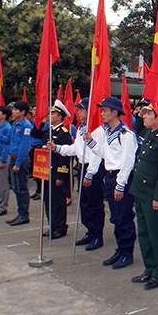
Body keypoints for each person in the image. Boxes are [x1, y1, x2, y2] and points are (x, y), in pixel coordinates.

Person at [84, 96, 137, 268]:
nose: (102, 114)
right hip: (110, 176)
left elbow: (128, 162)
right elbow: (106, 155)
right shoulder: (109, 132)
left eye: (105, 110)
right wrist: (91, 142)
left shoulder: (126, 134)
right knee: (115, 216)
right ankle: (120, 250)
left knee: (124, 217)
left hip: (122, 177)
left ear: (115, 112)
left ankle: (127, 252)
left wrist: (120, 185)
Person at [49, 98, 105, 250]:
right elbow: (76, 149)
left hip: (92, 169)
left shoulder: (97, 129)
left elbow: (97, 154)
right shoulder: (81, 127)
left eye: (81, 109)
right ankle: (90, 231)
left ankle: (97, 235)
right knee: (84, 203)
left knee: (94, 203)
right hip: (82, 167)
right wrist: (57, 148)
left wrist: (90, 173)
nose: (78, 112)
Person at [129, 104, 158, 290]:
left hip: (153, 195)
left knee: (156, 235)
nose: (144, 116)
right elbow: (138, 126)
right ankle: (149, 268)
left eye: (149, 113)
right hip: (140, 192)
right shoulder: (149, 134)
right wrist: (143, 108)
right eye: (143, 113)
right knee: (144, 233)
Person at [32, 100, 73, 239]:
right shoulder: (49, 131)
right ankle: (52, 225)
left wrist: (60, 176)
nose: (50, 115)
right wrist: (42, 121)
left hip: (56, 171)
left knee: (57, 201)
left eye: (53, 113)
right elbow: (35, 133)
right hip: (45, 171)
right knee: (48, 200)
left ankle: (60, 227)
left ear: (60, 117)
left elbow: (65, 157)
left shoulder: (63, 134)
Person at [6, 101, 33, 226]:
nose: (13, 111)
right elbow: (9, 141)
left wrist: (18, 163)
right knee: (16, 188)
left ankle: (24, 215)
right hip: (13, 158)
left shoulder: (26, 126)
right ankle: (20, 213)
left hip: (20, 160)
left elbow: (24, 146)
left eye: (16, 110)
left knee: (21, 188)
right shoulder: (15, 124)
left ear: (23, 112)